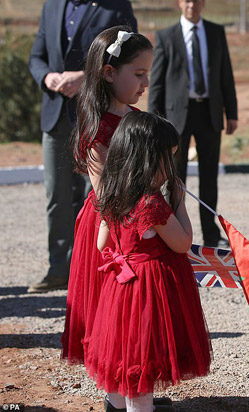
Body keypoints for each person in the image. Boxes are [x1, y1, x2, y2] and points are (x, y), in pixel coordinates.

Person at [86, 112, 212, 412]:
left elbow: (101, 243)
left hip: (120, 289)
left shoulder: (113, 195)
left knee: (123, 356)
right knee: (143, 359)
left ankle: (115, 404)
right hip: (149, 290)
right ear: (148, 160)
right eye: (168, 159)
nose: (172, 168)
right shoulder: (153, 205)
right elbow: (182, 243)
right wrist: (179, 203)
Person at [27, 0, 137, 293]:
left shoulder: (115, 6)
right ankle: (59, 268)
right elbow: (37, 57)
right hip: (55, 117)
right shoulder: (51, 7)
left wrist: (85, 77)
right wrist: (47, 77)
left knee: (98, 196)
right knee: (57, 196)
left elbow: (130, 56)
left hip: (96, 115)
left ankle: (97, 267)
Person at [61, 26, 152, 364]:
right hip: (109, 224)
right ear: (109, 72)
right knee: (111, 306)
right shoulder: (98, 128)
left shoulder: (140, 120)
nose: (145, 83)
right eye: (138, 73)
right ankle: (116, 388)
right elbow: (106, 194)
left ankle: (134, 384)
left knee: (137, 310)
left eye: (147, 75)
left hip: (139, 220)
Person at [148, 0, 238, 248]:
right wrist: (152, 121)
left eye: (197, 0)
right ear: (179, 3)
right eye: (187, 0)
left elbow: (225, 74)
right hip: (175, 118)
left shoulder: (216, 33)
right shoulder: (166, 36)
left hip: (209, 111)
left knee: (210, 176)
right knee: (174, 176)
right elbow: (157, 82)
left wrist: (231, 112)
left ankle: (210, 233)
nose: (192, 5)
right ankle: (173, 231)